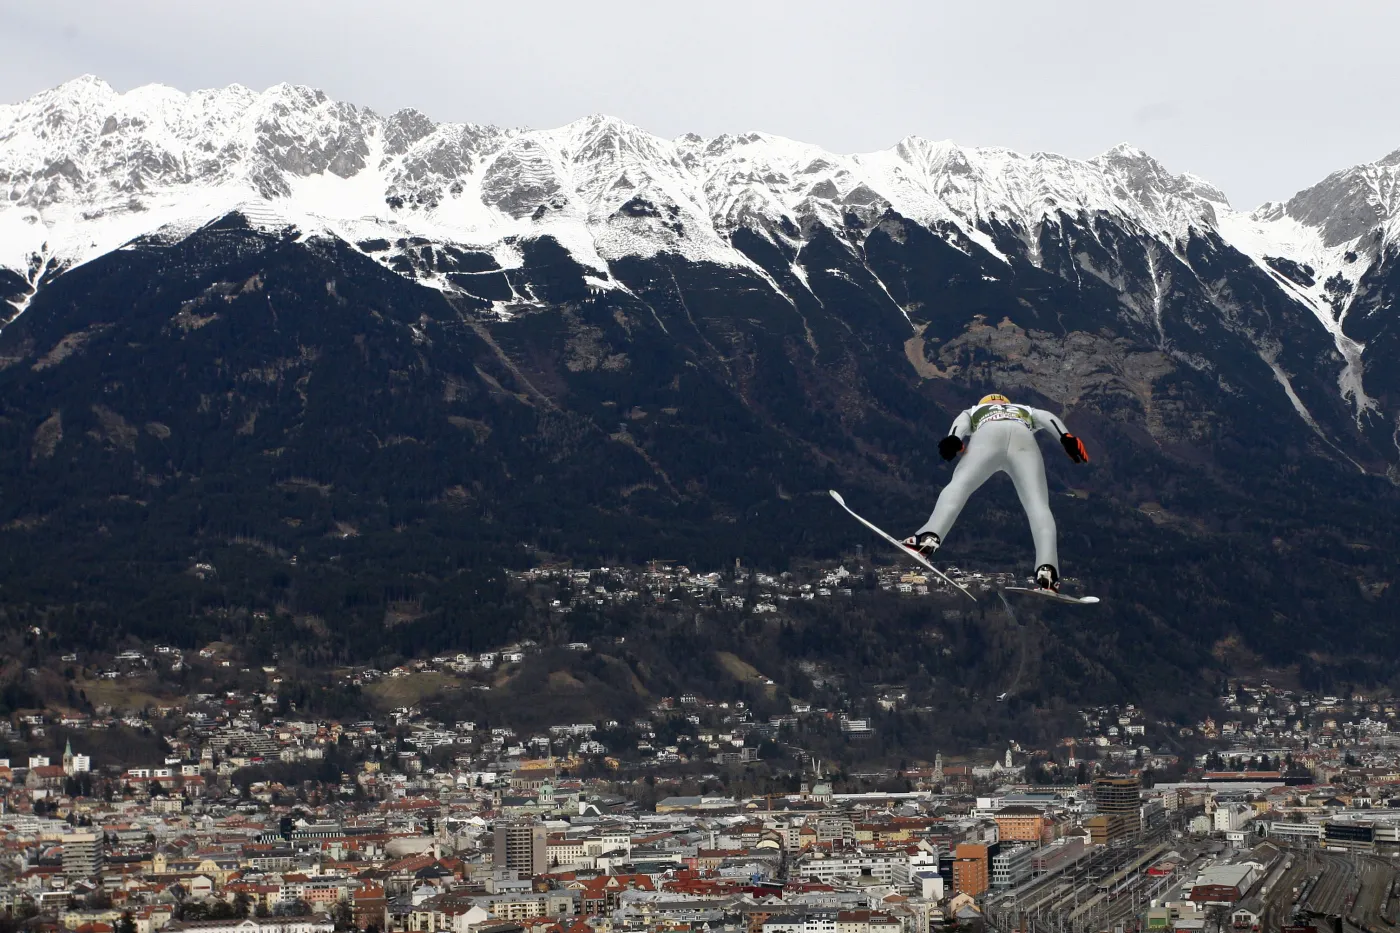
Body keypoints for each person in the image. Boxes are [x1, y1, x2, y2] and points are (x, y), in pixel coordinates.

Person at [903, 393, 1089, 592]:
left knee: (960, 485)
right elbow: (1046, 417)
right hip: (1023, 438)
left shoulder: (975, 410)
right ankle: (1048, 570)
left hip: (987, 434)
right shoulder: (1024, 409)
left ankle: (928, 538)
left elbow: (960, 424)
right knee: (1038, 505)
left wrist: (954, 438)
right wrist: (1066, 437)